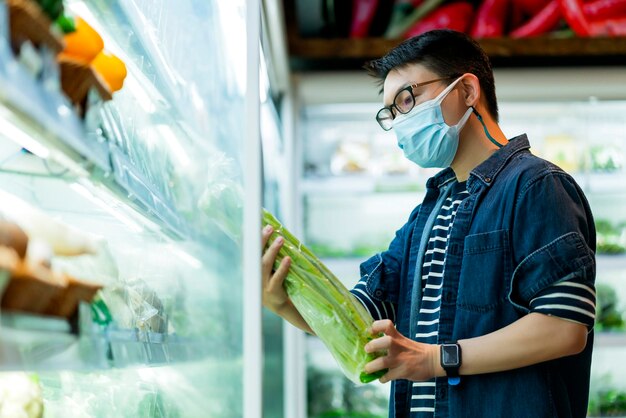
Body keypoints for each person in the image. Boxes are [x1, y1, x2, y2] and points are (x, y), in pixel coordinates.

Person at [262, 29, 596, 418]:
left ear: (467, 91)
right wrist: (283, 302)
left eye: (407, 99)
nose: (400, 121)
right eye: (391, 113)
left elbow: (564, 327)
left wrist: (438, 359)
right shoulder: (427, 213)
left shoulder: (535, 186)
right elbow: (360, 318)